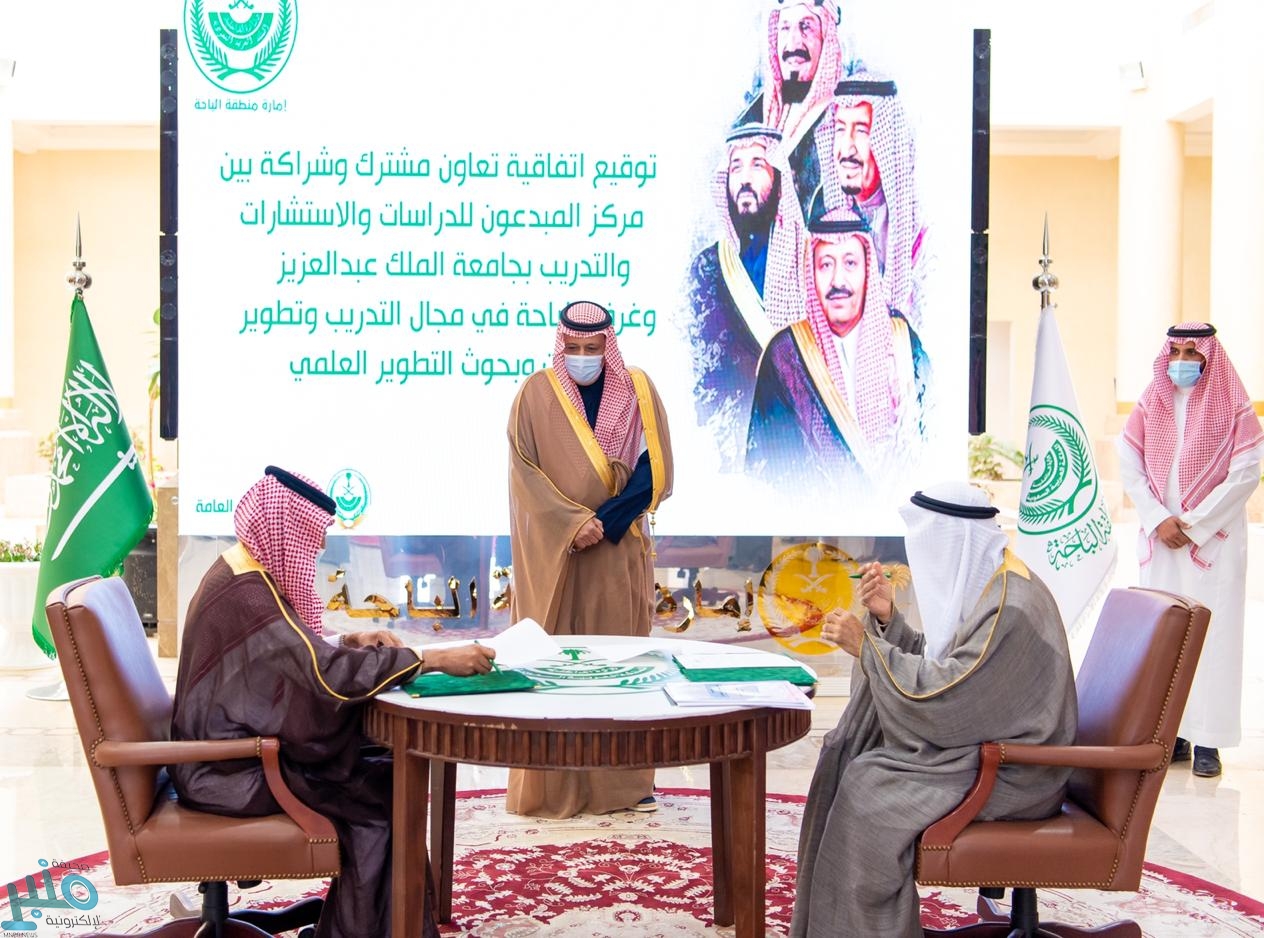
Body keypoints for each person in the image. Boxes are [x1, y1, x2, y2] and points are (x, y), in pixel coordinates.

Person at [171, 466, 496, 938]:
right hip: (227, 771)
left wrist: (352, 639)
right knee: (381, 798)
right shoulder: (248, 594)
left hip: (231, 754)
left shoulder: (242, 568)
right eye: (312, 537)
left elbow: (291, 656)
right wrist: (433, 659)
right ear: (284, 528)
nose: (318, 548)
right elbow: (324, 678)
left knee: (385, 765)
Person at [791, 482, 1078, 937]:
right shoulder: (994, 582)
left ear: (953, 544)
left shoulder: (1011, 606)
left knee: (869, 789)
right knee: (850, 755)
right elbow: (954, 668)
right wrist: (888, 621)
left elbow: (947, 697)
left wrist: (867, 648)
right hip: (997, 751)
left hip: (1018, 772)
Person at [506, 300, 675, 817]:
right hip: (558, 554)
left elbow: (656, 469)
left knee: (618, 667)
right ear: (561, 344)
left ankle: (623, 787)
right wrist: (570, 523)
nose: (582, 357)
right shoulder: (535, 394)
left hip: (616, 552)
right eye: (573, 348)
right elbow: (524, 473)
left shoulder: (638, 390)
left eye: (592, 348)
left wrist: (606, 521)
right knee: (553, 667)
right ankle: (550, 788)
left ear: (608, 345)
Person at [1118, 322, 1264, 778]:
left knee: (1213, 638)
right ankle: (1174, 735)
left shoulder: (1231, 403)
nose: (1182, 360)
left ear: (1209, 356)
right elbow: (1129, 463)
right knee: (1164, 634)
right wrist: (1158, 519)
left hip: (1213, 545)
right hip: (1161, 539)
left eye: (1192, 351)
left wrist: (1196, 525)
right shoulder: (1152, 400)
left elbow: (1245, 473)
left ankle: (1209, 740)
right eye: (1176, 351)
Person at [746, 207, 929, 485]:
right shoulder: (784, 356)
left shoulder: (905, 345)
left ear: (868, 271)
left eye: (850, 263)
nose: (838, 281)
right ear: (812, 274)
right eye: (826, 265)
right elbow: (768, 472)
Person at [687, 124, 806, 469]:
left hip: (796, 443)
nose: (745, 179)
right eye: (736, 167)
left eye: (757, 165)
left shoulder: (809, 261)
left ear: (779, 179)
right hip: (730, 442)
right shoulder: (708, 268)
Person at [813, 74, 929, 329]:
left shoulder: (916, 227)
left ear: (885, 140)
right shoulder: (820, 216)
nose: (847, 149)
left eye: (862, 131)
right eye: (840, 129)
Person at [734, 0, 842, 219]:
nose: (793, 44)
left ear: (826, 38)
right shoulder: (751, 119)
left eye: (806, 27)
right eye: (784, 28)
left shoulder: (842, 123)